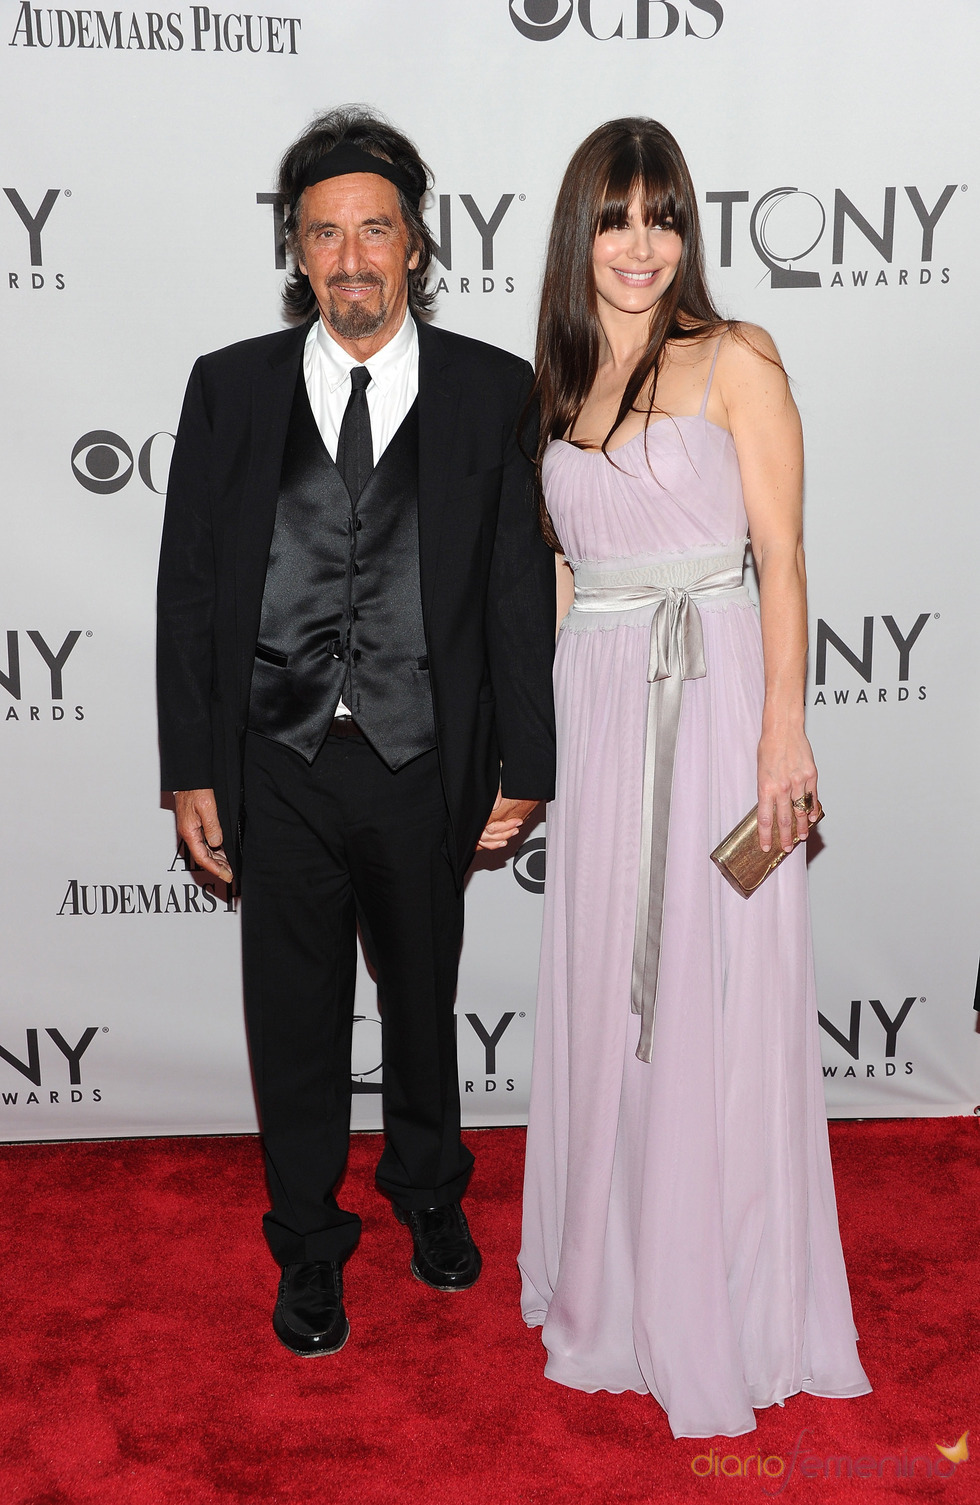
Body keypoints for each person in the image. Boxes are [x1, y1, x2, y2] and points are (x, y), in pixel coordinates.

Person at [157, 108, 555, 1357]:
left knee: (423, 1000)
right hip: (275, 764)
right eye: (322, 232)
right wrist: (188, 770)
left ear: (417, 244)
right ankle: (310, 1247)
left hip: (421, 757)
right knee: (292, 1016)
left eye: (372, 227)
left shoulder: (492, 388)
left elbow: (513, 591)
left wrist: (525, 763)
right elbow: (191, 589)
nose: (349, 256)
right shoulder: (229, 387)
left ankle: (431, 1196)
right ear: (295, 250)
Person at [518, 118, 870, 1438]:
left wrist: (786, 731)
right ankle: (607, 1283)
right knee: (611, 988)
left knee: (712, 997)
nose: (638, 244)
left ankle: (725, 1293)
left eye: (661, 216)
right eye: (614, 218)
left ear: (687, 234)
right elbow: (561, 578)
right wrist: (530, 751)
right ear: (580, 234)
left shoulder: (736, 360)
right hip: (600, 708)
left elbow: (782, 554)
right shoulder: (554, 390)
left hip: (716, 704)